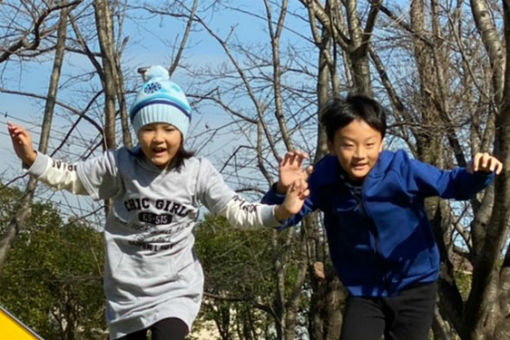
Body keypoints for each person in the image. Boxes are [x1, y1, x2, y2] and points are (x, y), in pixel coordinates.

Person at [7, 65, 308, 340]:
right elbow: (72, 177)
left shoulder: (197, 172)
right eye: (149, 129)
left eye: (169, 129)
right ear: (138, 132)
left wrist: (280, 210)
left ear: (182, 131)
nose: (159, 139)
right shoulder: (119, 165)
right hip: (126, 292)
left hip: (175, 289)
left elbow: (235, 210)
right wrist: (32, 158)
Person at [262, 94, 503, 340]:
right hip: (365, 290)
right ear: (332, 145)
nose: (360, 155)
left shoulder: (400, 169)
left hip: (415, 284)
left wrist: (477, 173)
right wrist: (282, 192)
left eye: (369, 144)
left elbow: (451, 184)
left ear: (381, 143)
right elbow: (280, 217)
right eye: (348, 145)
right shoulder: (325, 179)